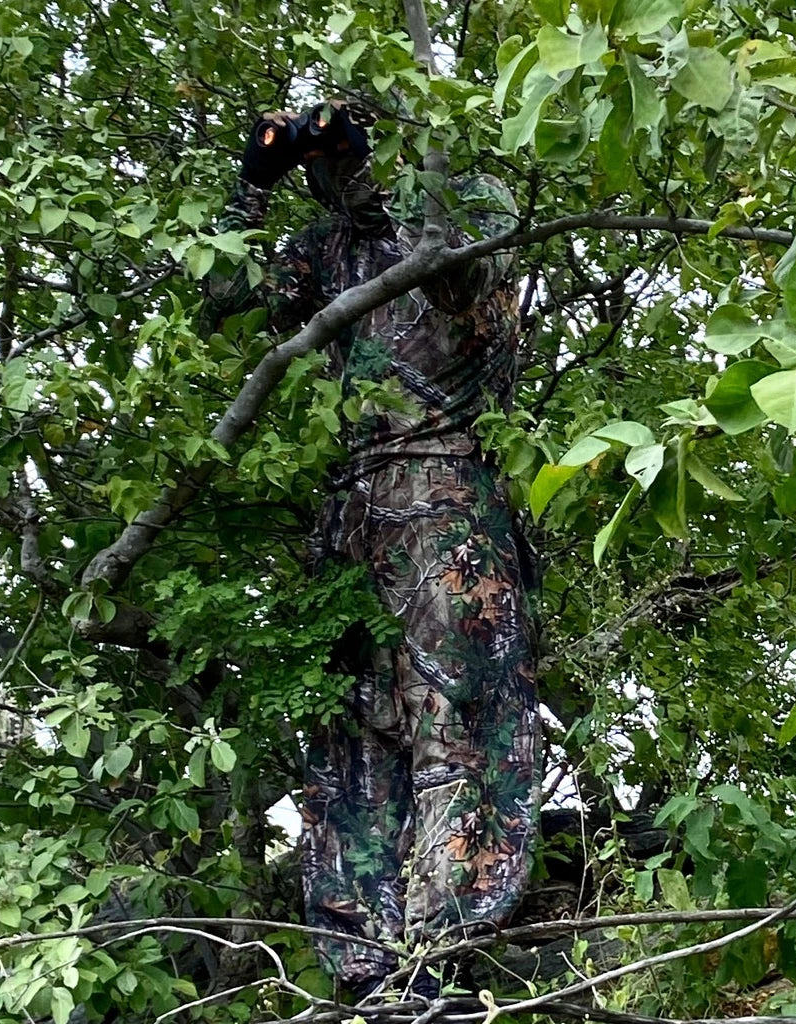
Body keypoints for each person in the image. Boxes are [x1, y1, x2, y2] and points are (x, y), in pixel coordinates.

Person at [198, 101, 541, 1001]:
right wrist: (253, 185)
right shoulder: (326, 246)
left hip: (449, 510)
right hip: (354, 522)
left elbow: (461, 286)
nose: (335, 174)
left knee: (450, 728)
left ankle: (441, 964)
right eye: (328, 163)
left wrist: (375, 168)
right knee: (355, 735)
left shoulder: (467, 202)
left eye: (348, 156)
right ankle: (371, 973)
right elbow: (219, 298)